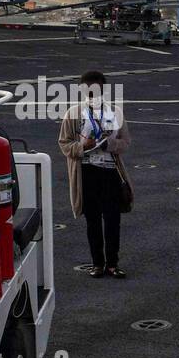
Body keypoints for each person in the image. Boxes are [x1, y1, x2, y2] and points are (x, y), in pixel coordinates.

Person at [58, 70, 132, 278]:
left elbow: (125, 142)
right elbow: (64, 144)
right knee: (92, 220)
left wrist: (109, 144)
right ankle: (97, 263)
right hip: (86, 173)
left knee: (112, 219)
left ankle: (112, 263)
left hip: (110, 172)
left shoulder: (115, 112)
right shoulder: (73, 114)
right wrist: (83, 146)